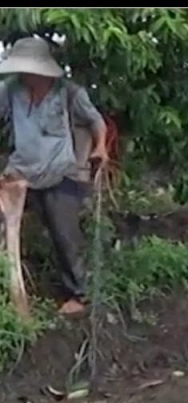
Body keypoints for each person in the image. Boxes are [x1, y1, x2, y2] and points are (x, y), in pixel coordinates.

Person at [0, 37, 110, 316]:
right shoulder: (9, 91)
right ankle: (9, 289)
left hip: (59, 173)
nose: (25, 74)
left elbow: (96, 120)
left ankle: (77, 295)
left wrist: (99, 147)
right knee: (5, 231)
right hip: (19, 171)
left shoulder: (69, 92)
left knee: (64, 236)